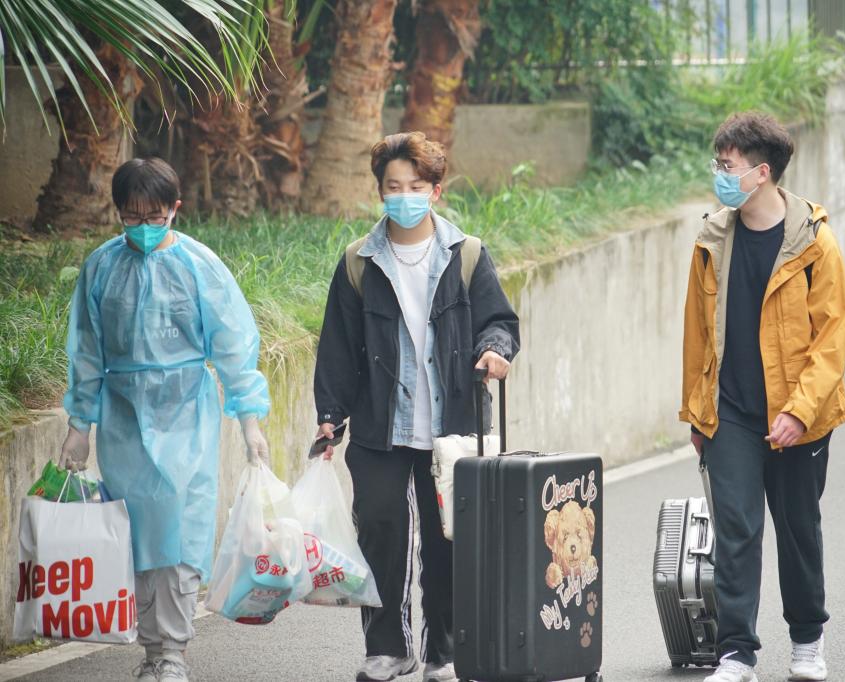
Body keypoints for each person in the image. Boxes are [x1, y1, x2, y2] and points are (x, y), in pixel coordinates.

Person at [313, 132, 520, 682]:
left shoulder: (467, 254)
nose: (404, 196)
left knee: (447, 541)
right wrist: (329, 415)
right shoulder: (358, 262)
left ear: (435, 190)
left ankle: (442, 652)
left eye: (415, 186)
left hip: (452, 428)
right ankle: (387, 648)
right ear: (380, 191)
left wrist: (494, 350)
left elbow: (500, 321)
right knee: (379, 533)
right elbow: (337, 347)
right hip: (381, 429)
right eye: (393, 186)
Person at [58, 158, 271, 682]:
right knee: (135, 536)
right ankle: (151, 651)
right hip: (124, 418)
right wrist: (79, 426)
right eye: (132, 218)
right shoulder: (101, 267)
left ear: (175, 209)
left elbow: (232, 344)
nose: (144, 228)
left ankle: (173, 651)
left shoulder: (199, 266)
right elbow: (86, 350)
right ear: (117, 212)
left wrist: (250, 420)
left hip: (187, 416)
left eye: (155, 217)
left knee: (180, 536)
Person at [679, 112, 845, 682]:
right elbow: (697, 334)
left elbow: (832, 339)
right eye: (718, 162)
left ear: (761, 173)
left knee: (798, 530)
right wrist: (697, 414)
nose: (718, 173)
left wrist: (799, 411)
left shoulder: (814, 242)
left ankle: (807, 642)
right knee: (736, 531)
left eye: (726, 165)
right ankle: (736, 653)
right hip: (730, 412)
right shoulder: (711, 240)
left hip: (799, 415)